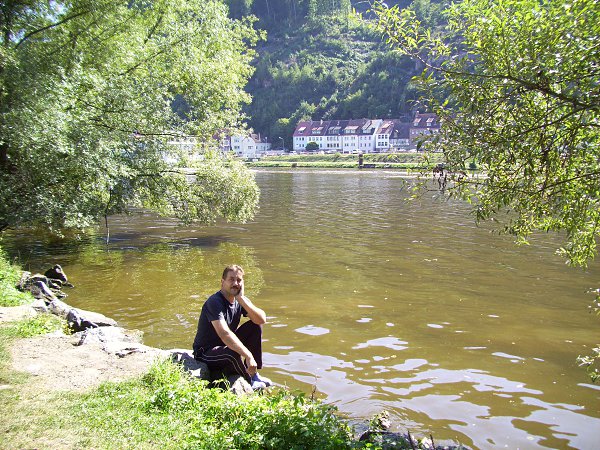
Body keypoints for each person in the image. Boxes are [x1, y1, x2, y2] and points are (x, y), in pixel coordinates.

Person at [193, 264, 271, 390]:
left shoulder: (239, 300)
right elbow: (224, 334)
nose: (235, 283)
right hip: (205, 352)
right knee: (232, 352)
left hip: (223, 346)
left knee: (255, 326)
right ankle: (249, 379)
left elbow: (261, 319)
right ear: (222, 282)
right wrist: (248, 355)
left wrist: (242, 299)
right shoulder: (214, 302)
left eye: (239, 280)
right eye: (231, 279)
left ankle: (255, 374)